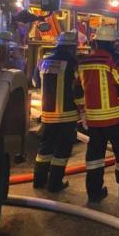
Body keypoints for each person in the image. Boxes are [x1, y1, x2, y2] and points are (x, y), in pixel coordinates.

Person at [74, 25, 119, 202]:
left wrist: (83, 112)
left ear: (96, 41)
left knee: (95, 157)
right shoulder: (114, 60)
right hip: (115, 118)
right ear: (114, 43)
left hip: (93, 120)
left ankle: (94, 192)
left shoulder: (84, 62)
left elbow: (78, 90)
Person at [32, 31, 80, 192]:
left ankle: (38, 180)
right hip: (67, 114)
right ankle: (54, 184)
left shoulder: (44, 61)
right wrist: (83, 108)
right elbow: (78, 86)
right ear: (73, 47)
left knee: (45, 147)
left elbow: (35, 81)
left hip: (47, 114)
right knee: (62, 149)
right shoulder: (73, 62)